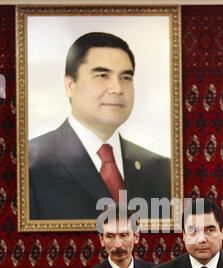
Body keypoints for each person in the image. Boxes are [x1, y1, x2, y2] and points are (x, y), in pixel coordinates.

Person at [29, 32, 170, 220]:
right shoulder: (29, 163)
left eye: (126, 77)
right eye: (102, 75)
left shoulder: (160, 169)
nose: (117, 88)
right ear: (70, 85)